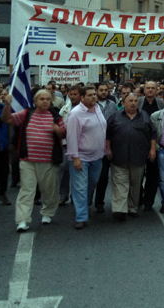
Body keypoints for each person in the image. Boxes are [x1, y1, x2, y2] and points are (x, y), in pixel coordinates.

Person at [2, 91, 65, 232]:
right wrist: (7, 104)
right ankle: (22, 220)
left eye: (48, 99)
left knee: (49, 190)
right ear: (35, 101)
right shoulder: (26, 114)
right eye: (42, 99)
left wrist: (58, 131)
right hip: (27, 160)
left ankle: (48, 213)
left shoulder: (55, 116)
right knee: (26, 190)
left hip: (49, 161)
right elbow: (7, 120)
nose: (45, 101)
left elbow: (64, 133)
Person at [106, 92, 156, 221]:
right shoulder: (115, 117)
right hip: (119, 156)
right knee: (120, 184)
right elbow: (108, 135)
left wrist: (152, 149)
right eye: (130, 101)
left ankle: (132, 207)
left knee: (135, 185)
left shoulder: (144, 116)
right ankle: (119, 210)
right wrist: (108, 149)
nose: (133, 103)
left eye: (135, 101)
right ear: (123, 102)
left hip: (138, 157)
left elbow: (153, 134)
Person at [66, 85, 107, 229]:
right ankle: (81, 217)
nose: (94, 97)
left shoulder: (98, 109)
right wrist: (75, 157)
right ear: (82, 98)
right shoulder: (76, 114)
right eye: (89, 95)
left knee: (92, 183)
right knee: (80, 187)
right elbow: (71, 137)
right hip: (81, 157)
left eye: (95, 94)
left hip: (97, 156)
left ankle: (84, 205)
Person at [138, 81, 164, 211]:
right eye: (148, 88)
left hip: (156, 143)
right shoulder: (138, 102)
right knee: (138, 173)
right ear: (144, 89)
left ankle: (148, 201)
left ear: (156, 90)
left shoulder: (161, 103)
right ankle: (138, 198)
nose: (150, 90)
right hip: (140, 142)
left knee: (153, 175)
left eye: (152, 88)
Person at [93, 81, 118, 214]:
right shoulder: (91, 104)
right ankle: (86, 201)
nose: (103, 92)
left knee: (104, 176)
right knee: (92, 177)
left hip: (109, 145)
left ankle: (99, 202)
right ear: (96, 91)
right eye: (101, 90)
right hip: (93, 145)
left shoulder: (112, 105)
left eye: (106, 90)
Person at [57, 85, 81, 206]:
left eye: (75, 94)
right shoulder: (65, 109)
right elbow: (59, 121)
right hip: (67, 143)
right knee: (64, 168)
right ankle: (63, 194)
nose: (72, 96)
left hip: (81, 144)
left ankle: (76, 196)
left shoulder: (85, 109)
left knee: (79, 171)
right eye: (71, 94)